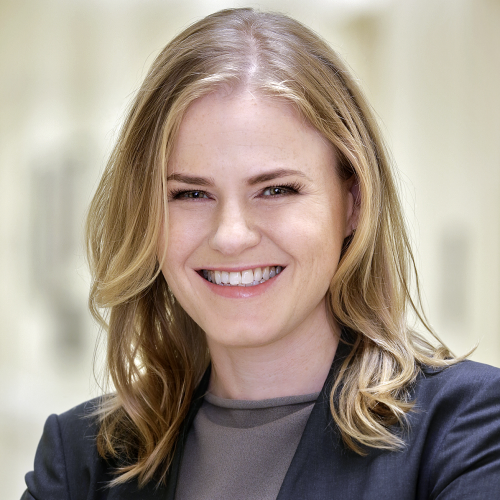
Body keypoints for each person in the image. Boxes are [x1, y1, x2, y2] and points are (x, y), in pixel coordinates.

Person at [22, 8, 500, 500]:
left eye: (275, 190)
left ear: (353, 202)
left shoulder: (468, 432)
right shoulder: (82, 461)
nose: (231, 236)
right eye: (190, 194)